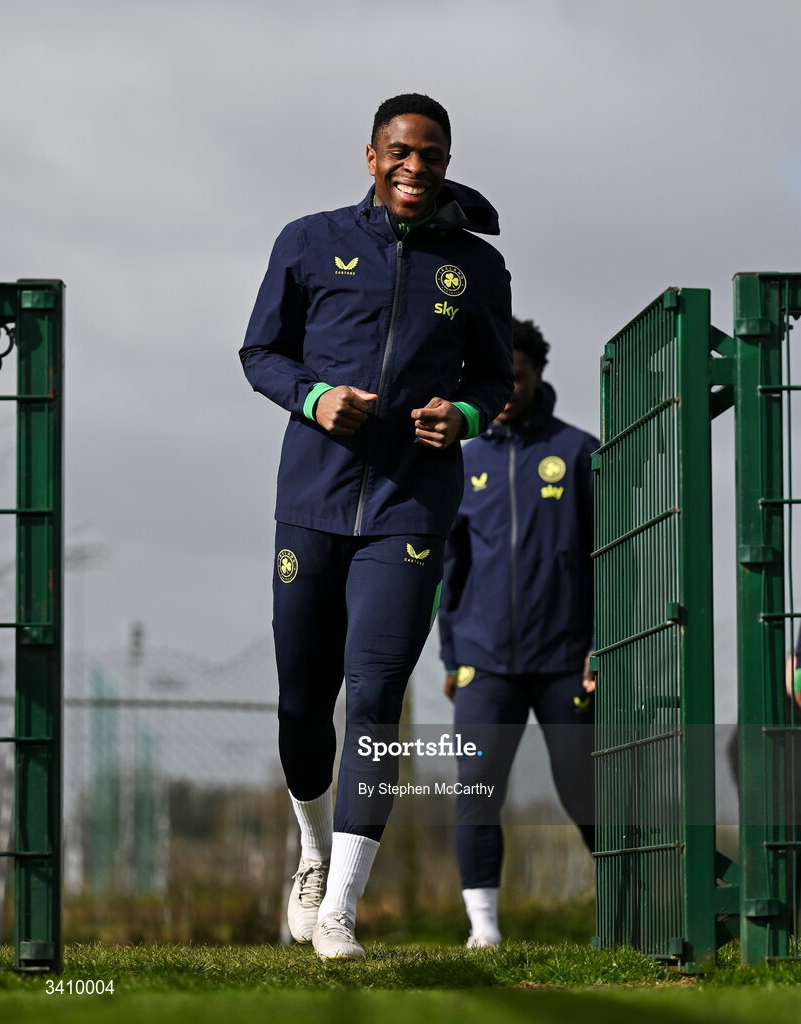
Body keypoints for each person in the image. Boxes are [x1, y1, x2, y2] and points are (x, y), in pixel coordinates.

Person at [239, 93, 513, 960]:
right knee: (300, 703)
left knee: (376, 694)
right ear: (370, 156)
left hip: (411, 507)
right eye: (400, 151)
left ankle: (342, 910)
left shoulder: (473, 266)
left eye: (431, 154)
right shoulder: (308, 241)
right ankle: (314, 853)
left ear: (445, 162)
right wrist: (317, 399)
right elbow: (261, 352)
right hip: (312, 503)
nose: (415, 166)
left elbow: (495, 378)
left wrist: (463, 416)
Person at [438, 317, 597, 947]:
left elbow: (607, 560)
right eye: (496, 376)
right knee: (476, 792)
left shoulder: (580, 452)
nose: (507, 387)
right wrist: (452, 655)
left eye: (518, 374)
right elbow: (451, 568)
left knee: (584, 792)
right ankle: (484, 929)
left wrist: (597, 648)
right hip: (484, 662)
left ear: (537, 373)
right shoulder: (462, 461)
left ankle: (628, 913)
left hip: (565, 660)